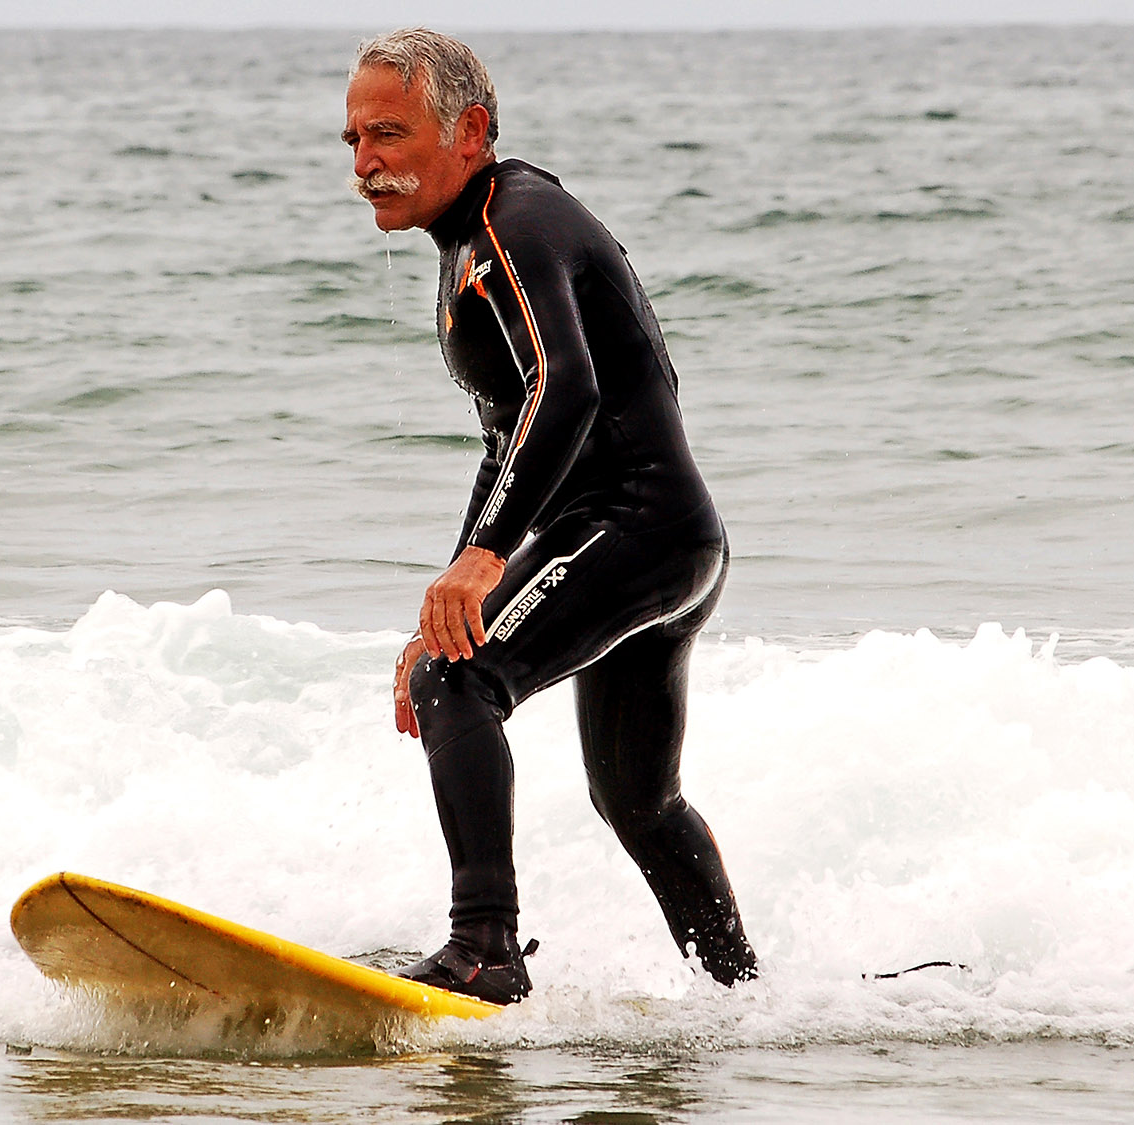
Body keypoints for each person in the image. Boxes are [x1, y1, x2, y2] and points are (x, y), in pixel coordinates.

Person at [342, 28, 757, 1004]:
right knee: (637, 799)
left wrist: (484, 559)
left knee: (460, 683)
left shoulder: (515, 225)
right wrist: (450, 584)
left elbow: (559, 391)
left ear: (468, 131)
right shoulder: (473, 236)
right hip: (663, 542)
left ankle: (482, 945)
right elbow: (507, 436)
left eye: (389, 136)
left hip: (634, 526)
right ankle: (744, 1002)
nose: (365, 165)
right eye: (352, 141)